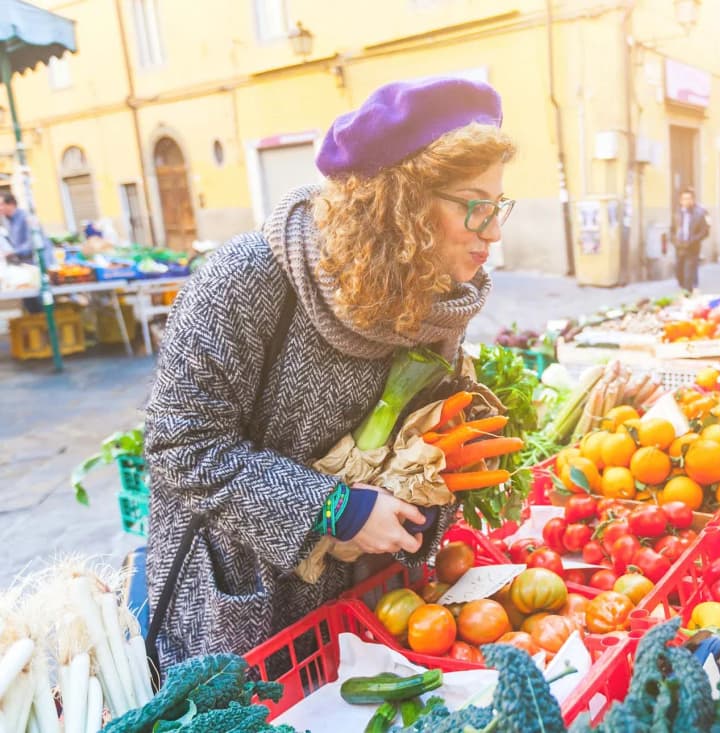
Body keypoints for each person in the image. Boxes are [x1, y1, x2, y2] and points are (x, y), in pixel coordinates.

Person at [143, 77, 515, 670]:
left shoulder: (439, 297)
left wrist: (434, 475)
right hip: (245, 594)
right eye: (476, 205)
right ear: (402, 203)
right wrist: (331, 509)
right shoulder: (245, 279)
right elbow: (180, 447)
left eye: (498, 207)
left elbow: (418, 436)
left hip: (363, 596)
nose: (493, 231)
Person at [671, 188, 709, 294]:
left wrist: (693, 240)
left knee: (689, 274)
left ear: (693, 200)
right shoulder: (677, 214)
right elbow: (672, 230)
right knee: (679, 272)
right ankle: (686, 289)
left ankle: (688, 292)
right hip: (679, 248)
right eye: (684, 199)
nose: (686, 201)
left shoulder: (700, 213)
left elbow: (705, 231)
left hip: (692, 248)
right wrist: (675, 241)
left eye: (688, 199)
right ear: (680, 200)